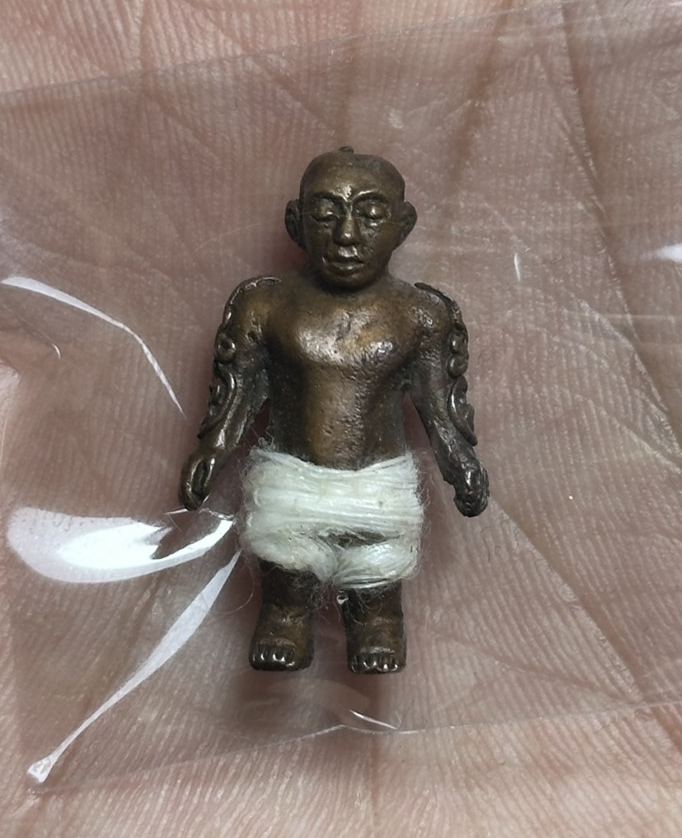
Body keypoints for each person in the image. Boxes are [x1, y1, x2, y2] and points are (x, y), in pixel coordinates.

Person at [180, 147, 488, 673]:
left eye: (371, 215)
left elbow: (440, 408)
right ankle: (285, 619)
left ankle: (378, 625)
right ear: (296, 223)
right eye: (326, 214)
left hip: (379, 484)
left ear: (403, 225)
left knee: (377, 572)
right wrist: (212, 451)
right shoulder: (265, 305)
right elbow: (238, 391)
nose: (347, 235)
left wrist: (461, 463)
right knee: (287, 568)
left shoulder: (421, 315)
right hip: (291, 477)